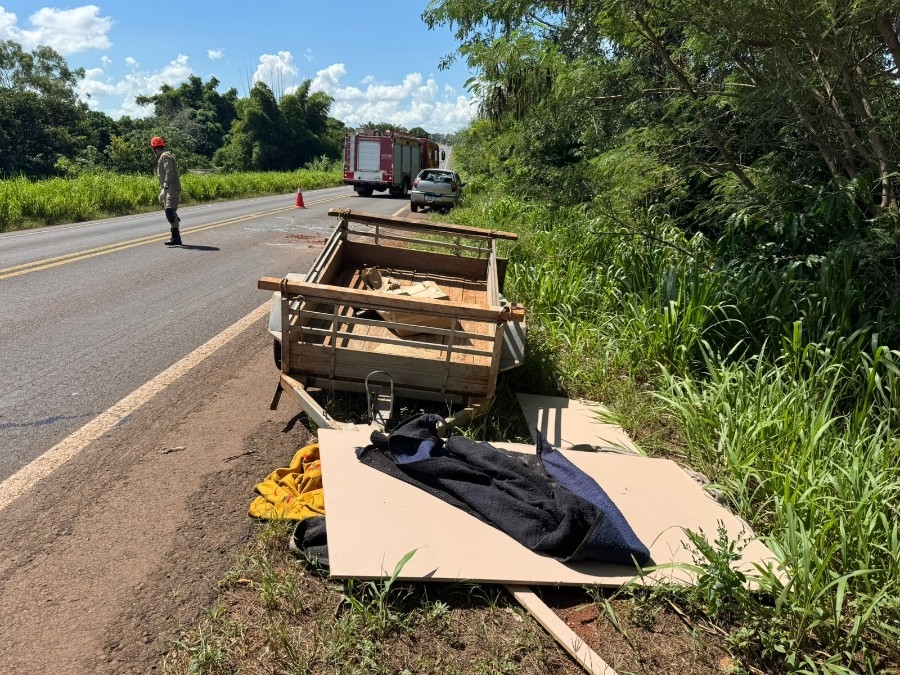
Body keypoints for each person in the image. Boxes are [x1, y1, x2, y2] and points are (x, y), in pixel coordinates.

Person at [150, 136, 183, 246]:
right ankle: (176, 235)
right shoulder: (164, 156)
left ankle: (175, 238)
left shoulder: (165, 156)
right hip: (169, 188)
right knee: (170, 212)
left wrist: (165, 188)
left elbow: (170, 172)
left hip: (171, 188)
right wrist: (163, 190)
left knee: (169, 211)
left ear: (154, 148)